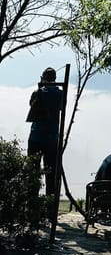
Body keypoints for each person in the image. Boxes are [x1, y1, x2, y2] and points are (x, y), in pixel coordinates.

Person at [27, 67, 63, 196]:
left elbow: (32, 105)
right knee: (51, 173)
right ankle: (49, 203)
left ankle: (32, 202)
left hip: (36, 136)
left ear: (43, 77)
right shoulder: (60, 94)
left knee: (32, 172)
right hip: (52, 137)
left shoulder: (38, 92)